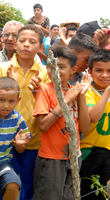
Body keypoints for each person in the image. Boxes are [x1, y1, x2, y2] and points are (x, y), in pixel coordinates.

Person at [0, 24, 50, 200]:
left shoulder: (44, 72)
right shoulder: (2, 69)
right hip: (3, 138)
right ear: (15, 42)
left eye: (32, 41)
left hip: (33, 137)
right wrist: (9, 82)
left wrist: (38, 92)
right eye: (22, 40)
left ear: (40, 47)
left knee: (28, 184)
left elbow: (47, 105)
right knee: (4, 183)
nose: (26, 45)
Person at [32, 46, 91, 200]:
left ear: (73, 70)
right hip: (51, 158)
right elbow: (43, 126)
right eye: (52, 67)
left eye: (61, 67)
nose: (56, 71)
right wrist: (66, 100)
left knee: (70, 197)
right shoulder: (44, 89)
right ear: (47, 68)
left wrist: (81, 96)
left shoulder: (75, 92)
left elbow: (84, 127)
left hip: (73, 156)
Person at [0, 21, 42, 103]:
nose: (9, 38)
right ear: (2, 37)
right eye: (6, 35)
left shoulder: (33, 57)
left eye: (14, 35)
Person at [80, 49, 110, 200]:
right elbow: (94, 117)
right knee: (86, 192)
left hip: (108, 151)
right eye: (99, 70)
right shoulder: (88, 91)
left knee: (104, 193)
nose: (105, 75)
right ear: (90, 72)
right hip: (89, 152)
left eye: (109, 71)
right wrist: (108, 91)